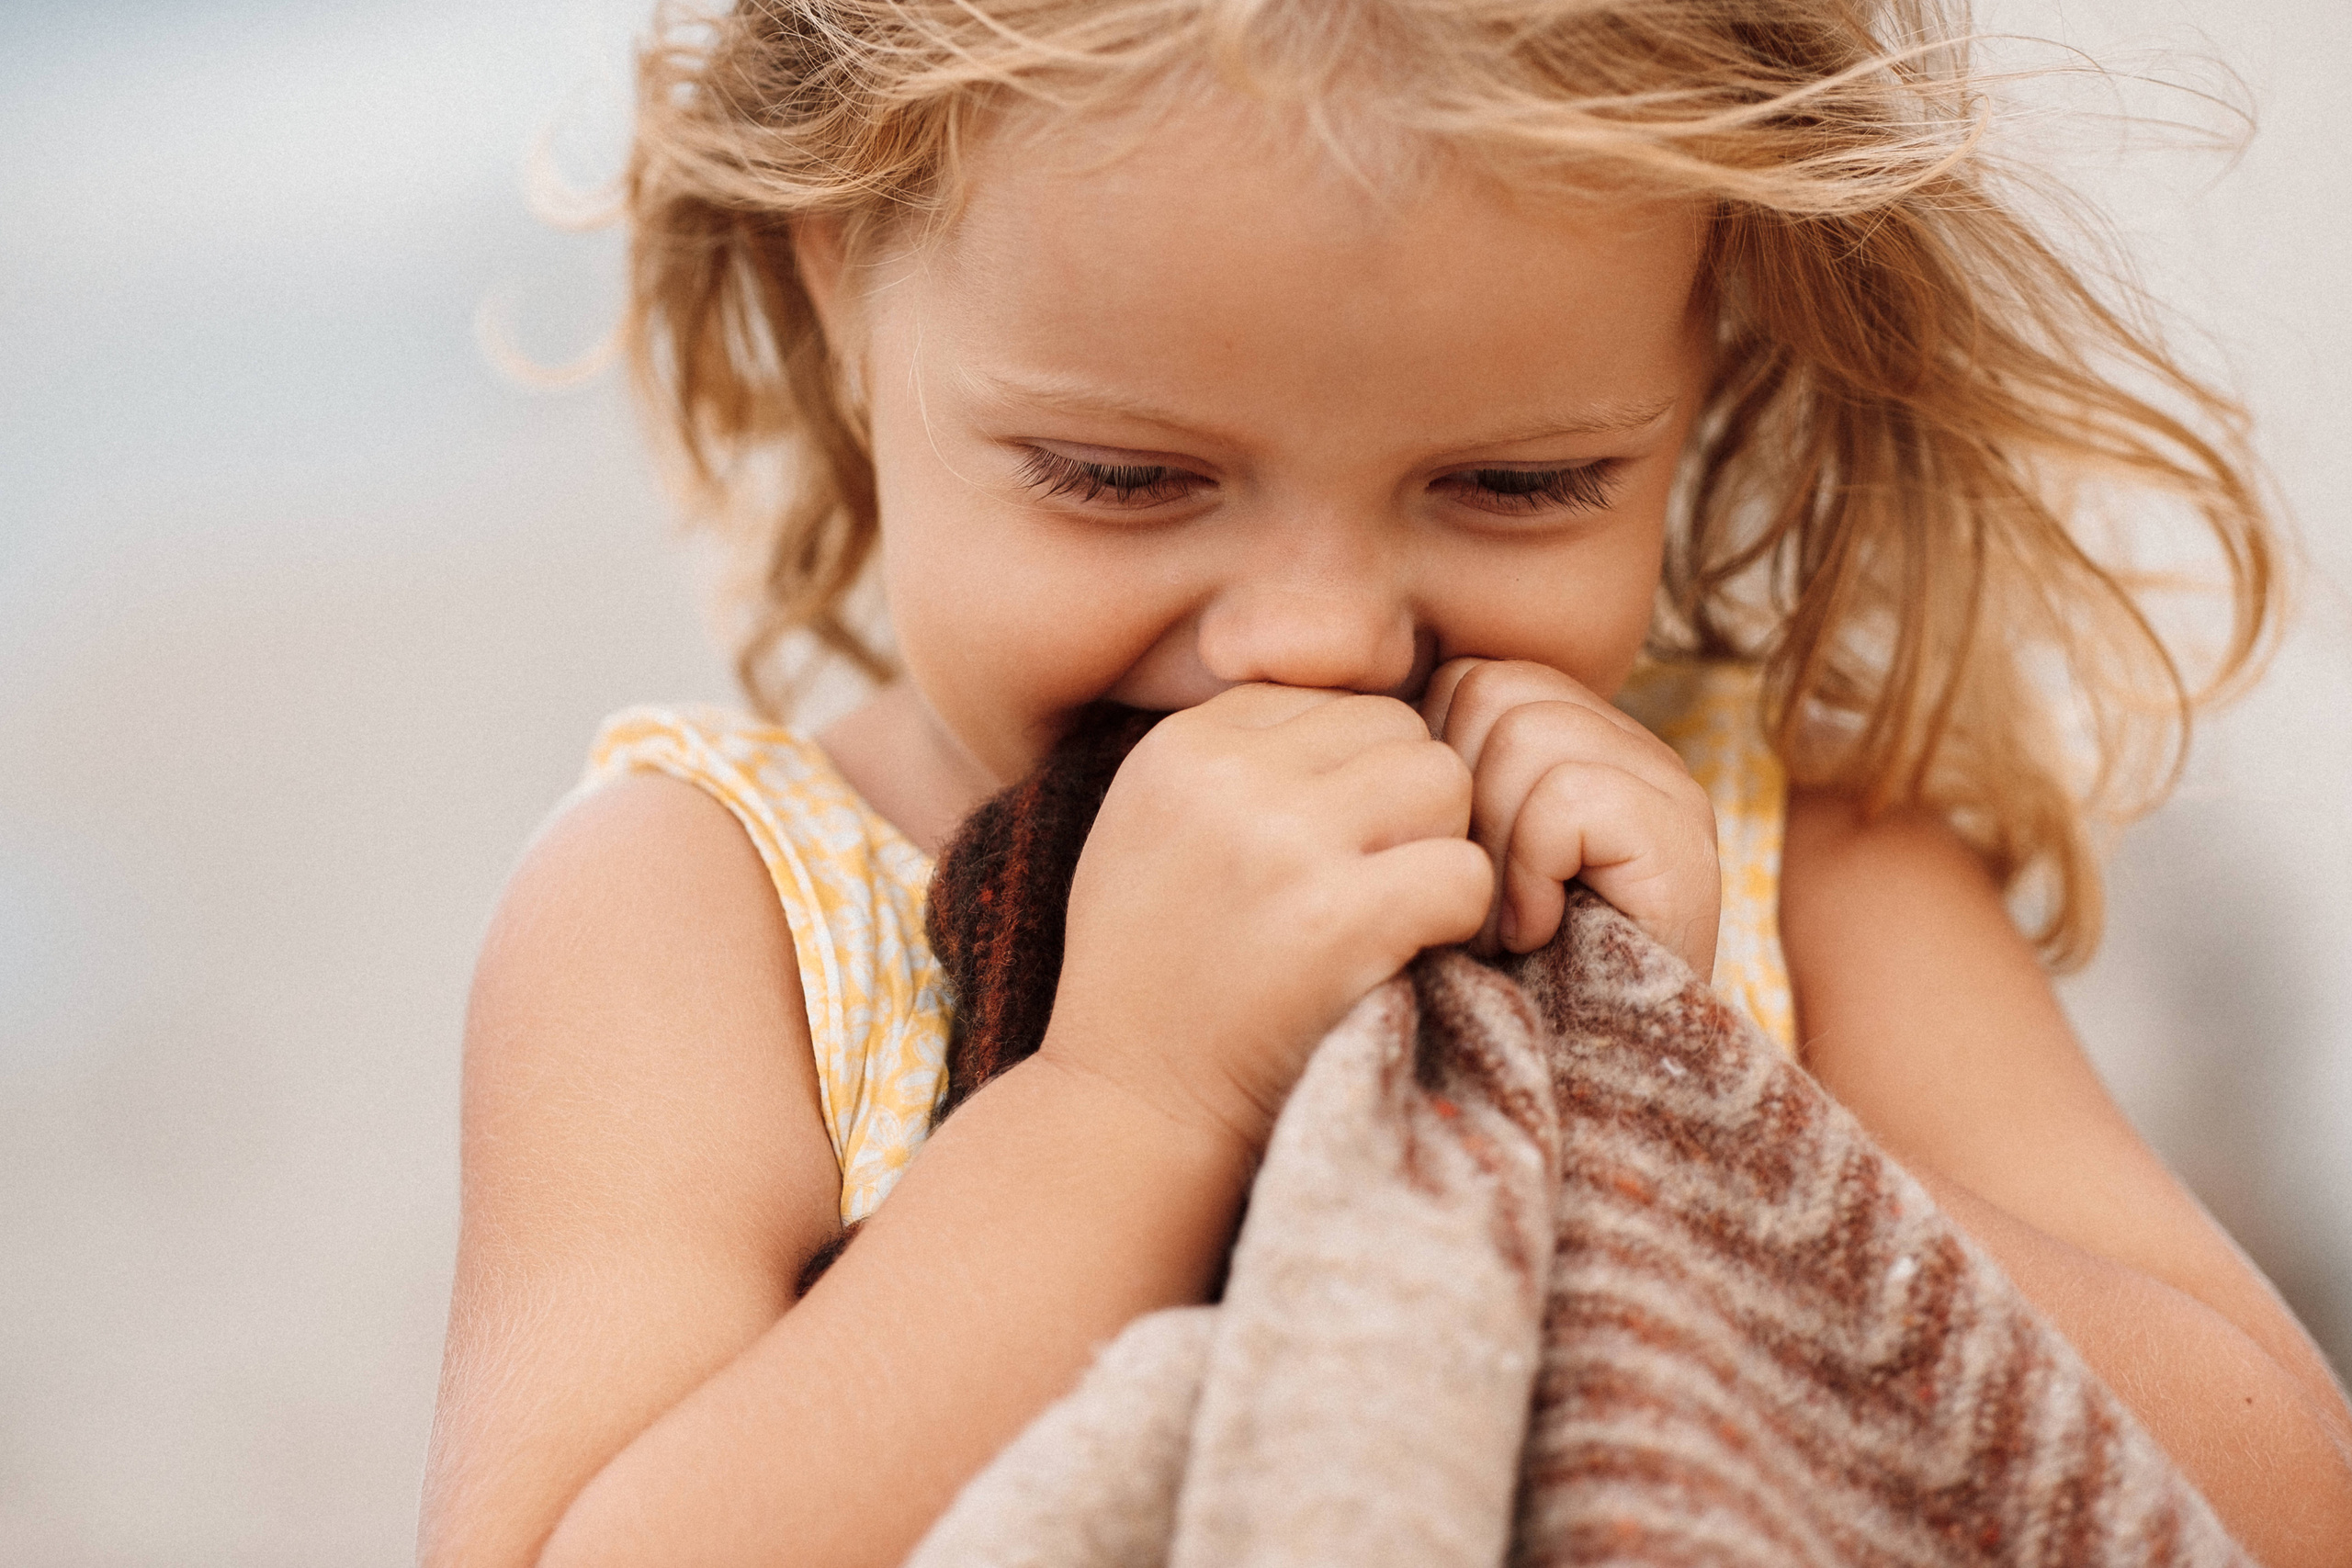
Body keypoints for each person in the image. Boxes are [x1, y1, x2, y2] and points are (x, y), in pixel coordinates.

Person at [418, 3, 2352, 1563]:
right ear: (839, 285)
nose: (1321, 641)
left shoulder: (1813, 861)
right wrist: (1126, 1100)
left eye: (1514, 484)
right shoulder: (697, 912)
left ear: (1706, 341)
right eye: (1123, 476)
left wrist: (1696, 1075)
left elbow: (2278, 1494)